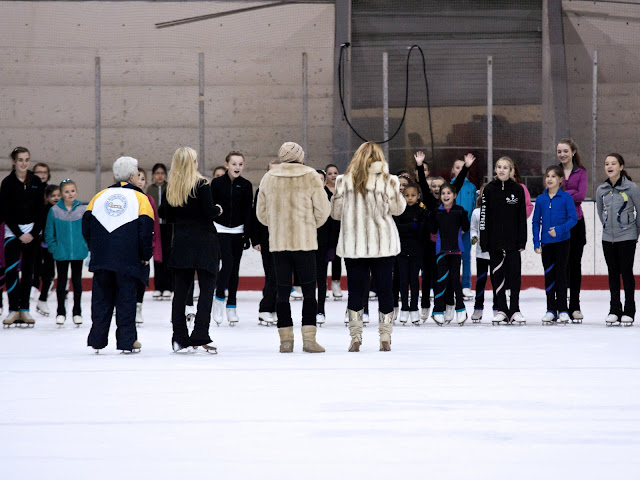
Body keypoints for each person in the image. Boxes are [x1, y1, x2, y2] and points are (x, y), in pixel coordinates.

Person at [331, 141, 405, 352]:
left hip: (354, 244)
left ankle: (355, 336)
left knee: (356, 290)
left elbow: (335, 214)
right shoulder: (389, 181)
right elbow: (398, 210)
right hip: (383, 243)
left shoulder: (343, 181)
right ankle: (385, 336)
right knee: (385, 290)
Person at [257, 142, 330, 353]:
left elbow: (261, 214)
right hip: (304, 242)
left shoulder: (269, 178)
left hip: (279, 243)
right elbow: (323, 211)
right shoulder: (311, 176)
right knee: (308, 291)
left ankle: (285, 341)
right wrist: (308, 225)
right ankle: (309, 340)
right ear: (300, 156)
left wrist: (277, 225)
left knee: (281, 291)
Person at [83, 156, 154, 353]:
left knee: (101, 300)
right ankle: (126, 342)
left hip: (102, 258)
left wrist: (94, 248)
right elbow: (146, 231)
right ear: (133, 176)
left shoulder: (98, 197)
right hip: (128, 260)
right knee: (126, 301)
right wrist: (145, 255)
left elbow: (86, 226)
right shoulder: (141, 199)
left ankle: (97, 341)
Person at [160, 147, 222, 352]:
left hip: (182, 242)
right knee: (206, 290)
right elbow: (209, 212)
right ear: (192, 163)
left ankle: (179, 337)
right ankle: (200, 334)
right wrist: (218, 210)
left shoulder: (171, 187)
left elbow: (165, 213)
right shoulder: (202, 184)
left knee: (180, 293)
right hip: (204, 241)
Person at [415, 151, 476, 321]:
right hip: (430, 246)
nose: (435, 189)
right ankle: (427, 306)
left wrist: (466, 167)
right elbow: (422, 183)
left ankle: (450, 304)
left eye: (439, 186)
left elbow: (457, 182)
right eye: (433, 186)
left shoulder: (452, 205)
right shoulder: (430, 202)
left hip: (448, 245)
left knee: (449, 277)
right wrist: (419, 166)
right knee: (429, 276)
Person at [479, 156, 527, 324]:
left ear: (511, 171)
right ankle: (501, 309)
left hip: (513, 242)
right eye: (499, 167)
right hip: (494, 242)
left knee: (514, 275)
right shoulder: (489, 189)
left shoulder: (518, 190)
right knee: (497, 275)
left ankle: (515, 309)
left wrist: (522, 241)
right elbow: (484, 216)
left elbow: (522, 217)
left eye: (505, 167)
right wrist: (484, 241)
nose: (501, 170)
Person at [1, 147, 45, 327]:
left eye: (27, 159)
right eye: (20, 160)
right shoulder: (8, 183)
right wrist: (19, 234)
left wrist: (33, 233)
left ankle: (25, 309)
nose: (24, 163)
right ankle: (13, 310)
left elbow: (41, 209)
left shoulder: (35, 181)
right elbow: (5, 211)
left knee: (28, 271)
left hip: (33, 233)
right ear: (14, 161)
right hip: (13, 233)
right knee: (11, 271)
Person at [596, 153, 640, 326]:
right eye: (607, 163)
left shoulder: (632, 188)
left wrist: (634, 232)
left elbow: (639, 211)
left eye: (613, 163)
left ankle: (629, 310)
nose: (609, 166)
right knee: (613, 273)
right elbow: (601, 213)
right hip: (608, 238)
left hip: (627, 237)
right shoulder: (601, 190)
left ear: (621, 167)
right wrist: (608, 228)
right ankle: (614, 309)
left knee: (626, 273)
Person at [211, 151, 253, 326]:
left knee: (234, 269)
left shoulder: (246, 185)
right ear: (226, 164)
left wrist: (247, 235)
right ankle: (219, 297)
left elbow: (248, 211)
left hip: (238, 230)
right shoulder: (216, 183)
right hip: (220, 229)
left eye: (240, 164)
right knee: (227, 263)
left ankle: (232, 305)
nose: (237, 167)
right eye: (234, 164)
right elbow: (210, 206)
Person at [532, 166, 577, 324]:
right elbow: (536, 221)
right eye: (547, 176)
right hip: (546, 243)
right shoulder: (540, 199)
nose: (549, 179)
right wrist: (536, 241)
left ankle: (563, 309)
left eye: (553, 176)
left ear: (560, 179)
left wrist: (559, 230)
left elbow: (573, 218)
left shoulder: (566, 197)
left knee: (561, 275)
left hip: (562, 242)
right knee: (549, 275)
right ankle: (551, 309)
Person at [45, 179, 89, 326]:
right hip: (61, 253)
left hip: (78, 252)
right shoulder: (54, 211)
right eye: (66, 191)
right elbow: (49, 232)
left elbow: (88, 230)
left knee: (77, 282)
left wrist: (85, 245)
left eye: (72, 191)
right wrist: (54, 248)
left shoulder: (82, 210)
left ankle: (77, 312)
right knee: (61, 282)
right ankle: (60, 312)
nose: (70, 194)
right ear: (61, 194)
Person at [430, 183, 471, 325]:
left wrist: (459, 232)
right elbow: (433, 230)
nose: (445, 196)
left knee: (455, 280)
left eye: (448, 193)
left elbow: (466, 227)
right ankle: (437, 310)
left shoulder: (460, 211)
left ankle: (461, 309)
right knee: (441, 280)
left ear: (454, 195)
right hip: (441, 251)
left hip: (456, 250)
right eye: (443, 193)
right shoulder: (436, 212)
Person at [557, 138, 588, 322]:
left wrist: (562, 195)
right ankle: (560, 305)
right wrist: (570, 194)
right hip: (559, 223)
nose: (562, 154)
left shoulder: (581, 172)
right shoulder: (555, 172)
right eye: (559, 151)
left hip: (576, 223)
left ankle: (574, 306)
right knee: (562, 266)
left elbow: (581, 195)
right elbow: (550, 192)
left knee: (574, 265)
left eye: (565, 151)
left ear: (573, 152)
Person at [393, 182, 427, 325]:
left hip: (417, 251)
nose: (410, 198)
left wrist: (412, 226)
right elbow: (396, 227)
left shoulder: (422, 211)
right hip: (401, 250)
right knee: (403, 280)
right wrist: (412, 225)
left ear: (418, 196)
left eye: (413, 195)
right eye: (407, 195)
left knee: (414, 280)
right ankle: (404, 308)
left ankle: (414, 308)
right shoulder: (399, 211)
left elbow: (422, 230)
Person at [251, 160, 279, 327]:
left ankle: (273, 306)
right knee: (272, 273)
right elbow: (256, 216)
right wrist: (256, 240)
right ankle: (265, 308)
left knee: (278, 274)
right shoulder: (262, 189)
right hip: (267, 238)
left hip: (284, 237)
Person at [133, 167, 162, 325]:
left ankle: (138, 306)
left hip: (144, 245)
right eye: (137, 177)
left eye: (143, 178)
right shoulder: (127, 198)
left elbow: (154, 225)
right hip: (128, 246)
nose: (140, 181)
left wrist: (153, 246)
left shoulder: (149, 200)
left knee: (142, 277)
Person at [450, 158, 477, 300]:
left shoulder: (471, 187)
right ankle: (451, 285)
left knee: (466, 257)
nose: (460, 169)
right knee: (451, 258)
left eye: (462, 167)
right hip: (451, 229)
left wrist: (468, 226)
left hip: (465, 229)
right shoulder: (448, 187)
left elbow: (473, 208)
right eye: (457, 167)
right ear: (452, 170)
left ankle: (466, 285)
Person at [315, 169, 339, 326]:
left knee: (321, 278)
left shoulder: (329, 200)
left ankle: (320, 310)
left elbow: (334, 225)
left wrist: (332, 247)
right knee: (309, 281)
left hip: (323, 245)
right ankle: (310, 309)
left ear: (324, 182)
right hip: (306, 245)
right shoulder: (303, 199)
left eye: (320, 179)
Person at [146, 162, 172, 300]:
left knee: (168, 255)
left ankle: (168, 286)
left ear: (166, 175)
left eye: (162, 173)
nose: (159, 176)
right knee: (157, 257)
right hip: (155, 227)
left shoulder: (170, 188)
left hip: (168, 226)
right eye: (157, 173)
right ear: (153, 175)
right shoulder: (150, 189)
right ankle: (158, 286)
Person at [35, 184, 60, 317]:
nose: (56, 198)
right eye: (53, 196)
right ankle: (40, 298)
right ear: (46, 197)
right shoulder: (45, 210)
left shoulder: (62, 210)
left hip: (57, 247)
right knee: (45, 272)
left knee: (50, 274)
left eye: (58, 195)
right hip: (44, 246)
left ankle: (42, 299)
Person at [470, 184, 490, 322]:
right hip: (481, 253)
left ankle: (498, 307)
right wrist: (474, 238)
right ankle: (478, 308)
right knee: (481, 281)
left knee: (497, 280)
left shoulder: (498, 211)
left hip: (496, 252)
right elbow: (473, 229)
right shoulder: (476, 212)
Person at [325, 163, 343, 300]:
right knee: (324, 256)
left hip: (339, 226)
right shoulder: (321, 189)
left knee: (337, 256)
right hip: (325, 227)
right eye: (330, 173)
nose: (333, 175)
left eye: (335, 173)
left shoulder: (342, 190)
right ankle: (323, 283)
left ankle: (336, 283)